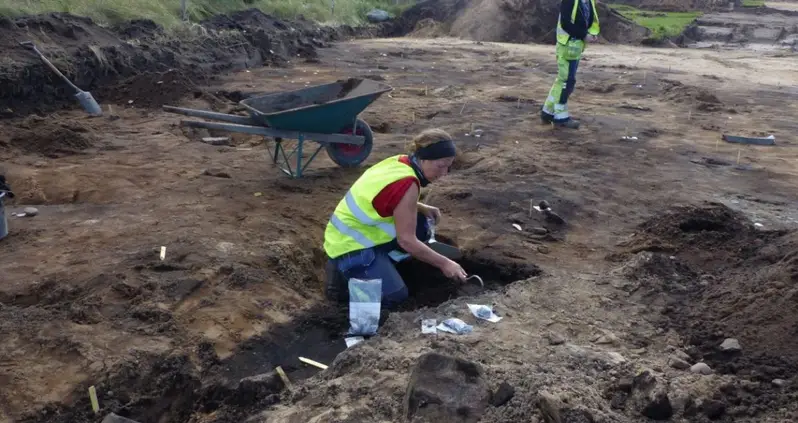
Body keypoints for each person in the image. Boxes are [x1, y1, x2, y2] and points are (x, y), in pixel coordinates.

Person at [322, 128, 468, 309]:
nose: (444, 173)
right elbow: (406, 241)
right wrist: (445, 263)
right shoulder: (407, 184)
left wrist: (420, 206)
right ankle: (347, 285)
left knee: (420, 225)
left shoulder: (400, 162)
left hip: (347, 235)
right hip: (352, 247)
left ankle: (380, 267)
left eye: (449, 166)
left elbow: (385, 197)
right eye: (441, 166)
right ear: (424, 159)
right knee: (395, 296)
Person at [540, 0, 600, 129]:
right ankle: (561, 118)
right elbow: (566, 23)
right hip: (567, 46)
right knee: (567, 81)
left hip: (575, 47)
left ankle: (548, 111)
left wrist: (591, 34)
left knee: (562, 80)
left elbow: (587, 19)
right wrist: (584, 35)